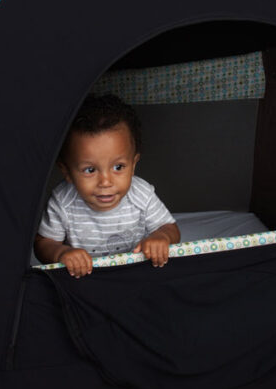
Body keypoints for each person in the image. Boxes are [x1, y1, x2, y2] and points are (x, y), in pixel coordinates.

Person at [34, 94, 180, 278]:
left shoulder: (141, 194)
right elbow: (43, 243)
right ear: (67, 172)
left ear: (133, 165)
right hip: (86, 279)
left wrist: (162, 238)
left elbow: (170, 228)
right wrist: (61, 253)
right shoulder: (63, 201)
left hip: (136, 274)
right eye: (90, 170)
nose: (105, 182)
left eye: (118, 167)